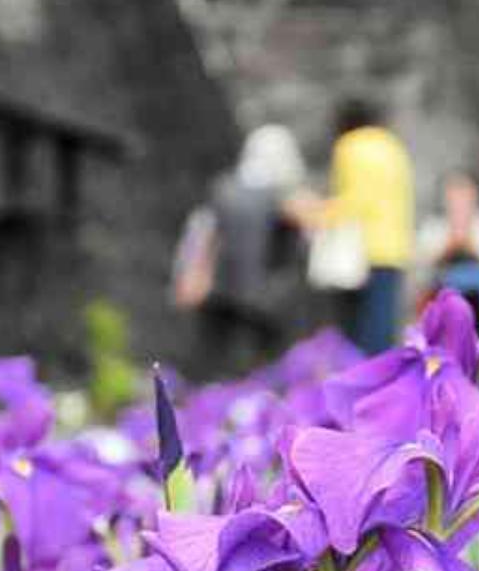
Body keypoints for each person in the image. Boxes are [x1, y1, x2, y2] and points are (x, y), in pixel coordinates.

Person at [171, 124, 307, 375]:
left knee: (213, 366)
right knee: (257, 372)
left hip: (219, 292)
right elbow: (295, 250)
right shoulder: (283, 197)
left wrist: (192, 274)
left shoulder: (224, 187)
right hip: (261, 300)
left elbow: (202, 231)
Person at [305, 98, 415, 355]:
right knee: (383, 327)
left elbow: (353, 201)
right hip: (394, 250)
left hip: (359, 252)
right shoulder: (393, 146)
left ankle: (357, 388)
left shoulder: (349, 146)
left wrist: (317, 214)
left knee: (356, 331)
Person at [415, 170, 479, 333]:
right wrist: (454, 236)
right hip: (444, 287)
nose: (459, 200)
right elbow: (425, 257)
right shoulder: (434, 225)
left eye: (464, 194)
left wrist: (465, 232)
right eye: (454, 195)